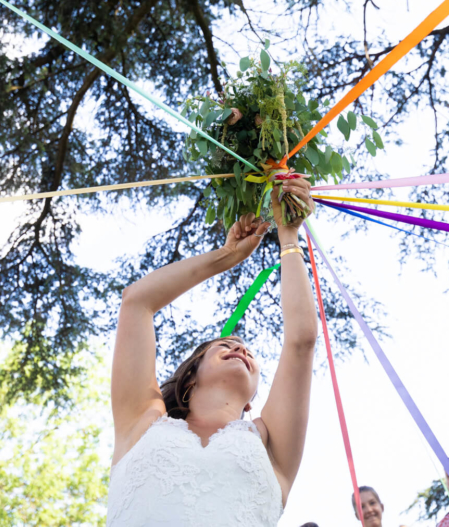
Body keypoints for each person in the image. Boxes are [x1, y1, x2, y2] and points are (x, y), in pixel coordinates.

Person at [106, 179, 317, 526]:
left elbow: (301, 341)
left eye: (247, 351)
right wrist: (227, 255)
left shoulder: (270, 445)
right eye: (226, 345)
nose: (239, 349)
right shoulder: (141, 422)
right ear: (191, 376)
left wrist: (289, 234)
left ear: (252, 399)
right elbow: (136, 303)